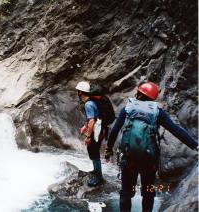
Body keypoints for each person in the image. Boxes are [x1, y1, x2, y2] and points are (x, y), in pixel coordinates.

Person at [104, 82, 198, 212]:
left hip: (128, 157)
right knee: (148, 192)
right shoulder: (157, 112)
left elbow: (114, 131)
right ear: (153, 98)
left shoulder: (128, 109)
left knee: (126, 192)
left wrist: (108, 150)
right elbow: (176, 130)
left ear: (139, 93)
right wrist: (196, 146)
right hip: (149, 160)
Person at [76, 81, 104, 187]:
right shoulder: (91, 102)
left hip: (95, 131)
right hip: (98, 129)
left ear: (81, 92)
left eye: (78, 91)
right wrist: (85, 126)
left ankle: (98, 177)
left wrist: (88, 136)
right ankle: (96, 171)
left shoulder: (88, 104)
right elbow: (92, 119)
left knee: (94, 152)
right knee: (93, 151)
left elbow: (92, 121)